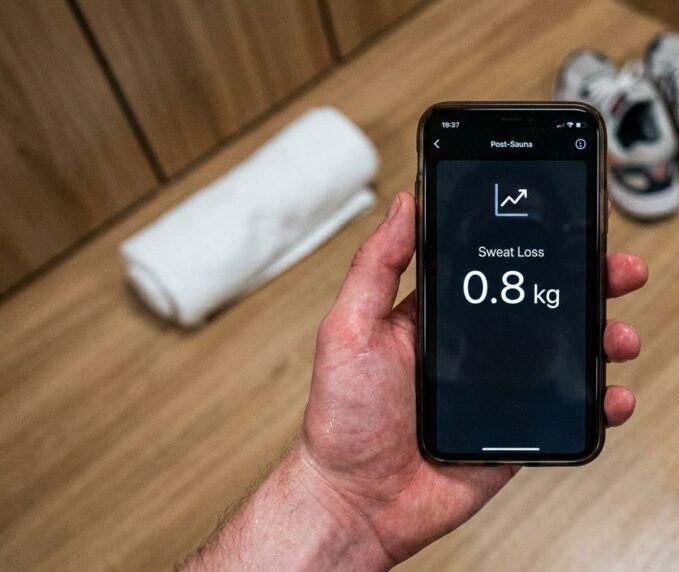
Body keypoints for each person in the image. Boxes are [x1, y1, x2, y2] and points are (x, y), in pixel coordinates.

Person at [179, 192, 647, 570]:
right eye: (491, 240)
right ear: (449, 276)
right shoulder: (431, 421)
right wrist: (335, 498)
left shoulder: (566, 415)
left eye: (532, 240)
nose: (513, 267)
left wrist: (333, 504)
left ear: (563, 264)